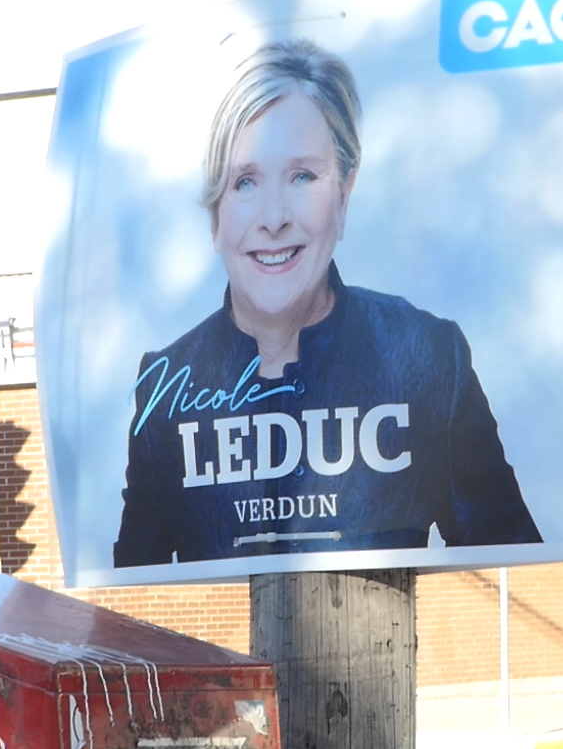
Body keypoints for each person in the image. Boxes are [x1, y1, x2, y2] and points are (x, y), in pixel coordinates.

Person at [114, 38, 539, 567]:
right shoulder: (165, 388)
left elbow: (514, 566)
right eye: (244, 182)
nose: (274, 218)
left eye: (302, 176)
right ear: (215, 213)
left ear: (344, 192)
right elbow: (135, 591)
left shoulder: (429, 357)